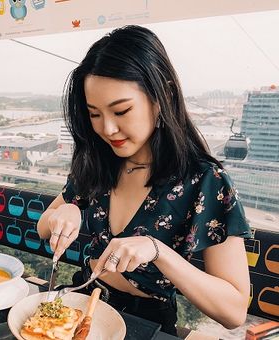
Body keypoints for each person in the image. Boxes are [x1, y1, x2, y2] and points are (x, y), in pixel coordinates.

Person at [36, 25, 251, 335]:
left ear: (161, 97)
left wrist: (158, 251)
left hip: (145, 322)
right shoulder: (99, 160)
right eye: (94, 114)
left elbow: (233, 312)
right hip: (83, 301)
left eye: (121, 111)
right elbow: (44, 227)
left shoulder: (205, 181)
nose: (107, 129)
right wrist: (64, 211)